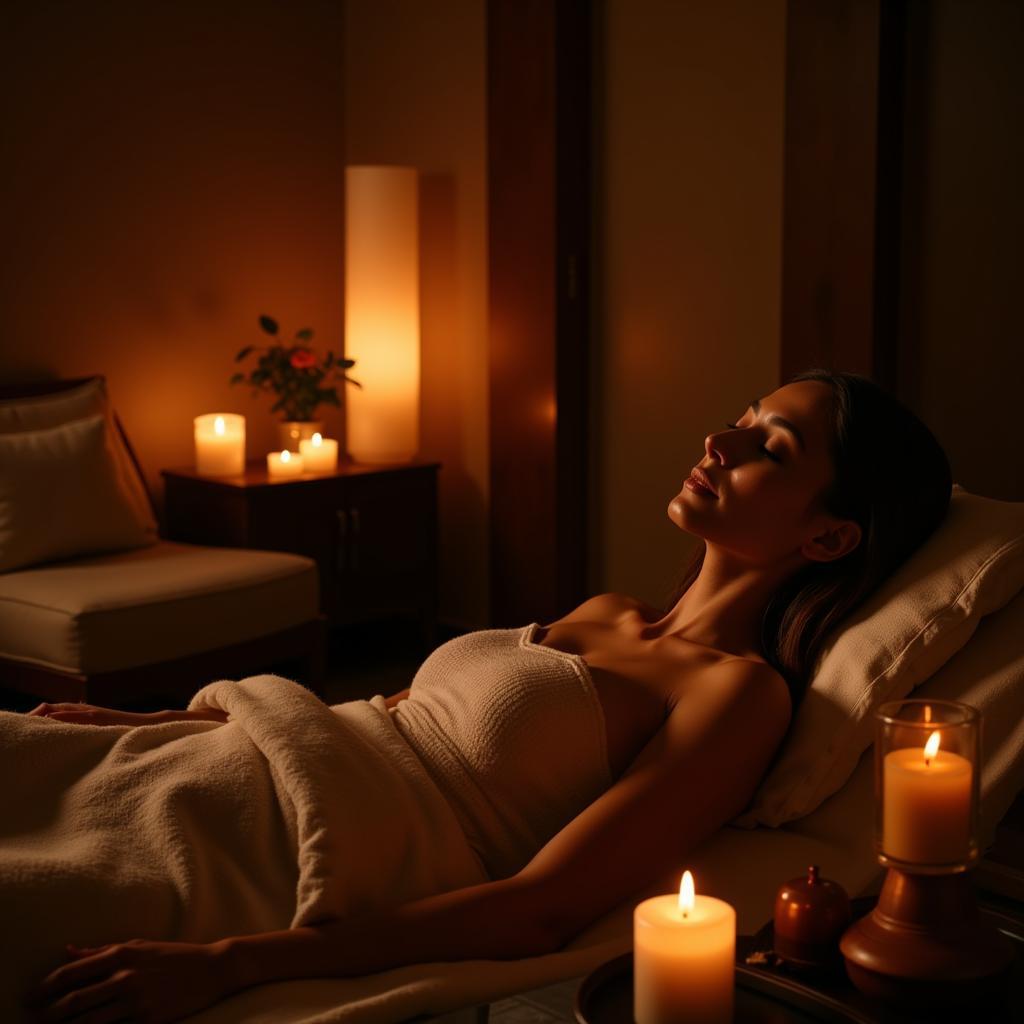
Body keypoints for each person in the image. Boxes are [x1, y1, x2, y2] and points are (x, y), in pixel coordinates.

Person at [22, 369, 952, 1024]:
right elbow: (384, 714)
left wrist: (229, 965)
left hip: (285, 852)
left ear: (829, 540)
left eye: (770, 447)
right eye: (745, 415)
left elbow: (540, 906)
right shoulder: (609, 610)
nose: (722, 439)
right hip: (230, 763)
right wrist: (151, 725)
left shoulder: (739, 695)